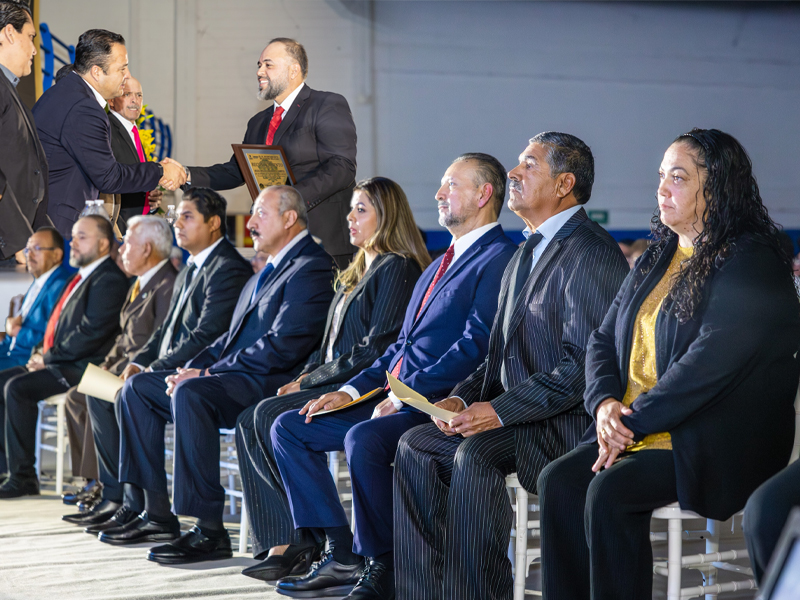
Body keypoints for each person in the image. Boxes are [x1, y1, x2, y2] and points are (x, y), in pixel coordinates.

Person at [536, 128, 800, 600]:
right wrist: (604, 404)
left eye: (677, 177)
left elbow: (710, 365)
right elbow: (602, 338)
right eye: (661, 175)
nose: (661, 188)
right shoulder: (658, 253)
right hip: (636, 427)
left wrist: (629, 423)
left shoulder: (752, 258)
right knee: (558, 481)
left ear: (716, 187)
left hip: (713, 437)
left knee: (609, 492)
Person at [270, 153, 518, 599]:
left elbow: (476, 346)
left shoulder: (500, 257)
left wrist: (405, 394)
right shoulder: (437, 265)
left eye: (451, 185)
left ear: (484, 194)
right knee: (290, 427)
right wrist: (348, 391)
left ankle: (383, 564)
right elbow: (397, 349)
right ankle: (341, 551)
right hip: (395, 395)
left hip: (439, 402)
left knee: (363, 439)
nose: (439, 194)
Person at [394, 133, 629, 600]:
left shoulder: (589, 250)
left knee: (475, 452)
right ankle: (423, 592)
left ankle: (477, 594)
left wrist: (498, 412)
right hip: (523, 418)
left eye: (529, 164)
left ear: (564, 184)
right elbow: (496, 354)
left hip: (565, 423)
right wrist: (460, 398)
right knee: (415, 445)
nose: (513, 173)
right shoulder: (526, 250)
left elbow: (582, 367)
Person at [102, 186, 335, 567]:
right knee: (139, 388)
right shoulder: (266, 270)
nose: (250, 222)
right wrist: (188, 369)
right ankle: (156, 514)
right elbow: (227, 338)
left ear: (290, 218)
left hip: (270, 381)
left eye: (260, 213)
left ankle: (209, 529)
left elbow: (284, 345)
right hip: (235, 376)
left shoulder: (311, 265)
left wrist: (207, 372)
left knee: (192, 393)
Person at [235, 177, 430, 581]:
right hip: (334, 380)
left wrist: (310, 382)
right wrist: (304, 376)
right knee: (253, 416)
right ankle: (293, 538)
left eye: (361, 209)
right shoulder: (355, 270)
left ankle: (325, 544)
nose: (350, 218)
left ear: (386, 215)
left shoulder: (397, 266)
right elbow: (328, 346)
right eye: (351, 209)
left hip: (363, 388)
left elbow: (377, 348)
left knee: (268, 416)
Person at [80, 187, 251, 534]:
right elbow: (164, 331)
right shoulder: (189, 267)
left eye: (187, 216)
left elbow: (206, 336)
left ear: (213, 223)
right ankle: (128, 500)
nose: (178, 224)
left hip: (206, 375)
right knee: (100, 387)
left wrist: (152, 369)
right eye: (177, 217)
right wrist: (140, 361)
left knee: (134, 389)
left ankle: (153, 511)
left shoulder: (228, 267)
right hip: (170, 369)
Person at [173, 37, 357, 268]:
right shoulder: (258, 122)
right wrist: (185, 174)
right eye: (259, 65)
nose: (260, 71)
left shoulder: (326, 104)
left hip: (324, 242)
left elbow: (342, 168)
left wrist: (288, 201)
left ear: (293, 70)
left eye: (268, 65)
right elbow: (235, 171)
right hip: (277, 245)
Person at [0, 215, 129, 498]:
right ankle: (10, 469)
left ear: (103, 244)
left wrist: (48, 358)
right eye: (74, 236)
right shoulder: (81, 277)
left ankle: (23, 477)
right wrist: (40, 353)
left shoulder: (108, 279)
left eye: (82, 237)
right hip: (65, 361)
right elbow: (56, 326)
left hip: (86, 367)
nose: (73, 243)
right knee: (5, 381)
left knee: (17, 388)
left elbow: (90, 334)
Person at [61, 216, 178, 526]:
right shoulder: (140, 282)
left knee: (94, 392)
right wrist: (107, 364)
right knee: (84, 390)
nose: (121, 249)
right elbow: (123, 337)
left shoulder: (166, 283)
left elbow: (159, 342)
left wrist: (128, 368)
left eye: (127, 243)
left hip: (144, 376)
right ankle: (103, 485)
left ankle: (115, 492)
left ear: (147, 249)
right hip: (122, 368)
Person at [32, 29, 185, 237]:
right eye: (121, 69)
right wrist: (160, 171)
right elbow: (109, 177)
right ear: (97, 72)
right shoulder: (84, 107)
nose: (127, 75)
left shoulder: (63, 93)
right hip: (62, 227)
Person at [0, 1, 52, 259]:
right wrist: (18, 240)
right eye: (31, 37)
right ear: (10, 33)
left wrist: (50, 239)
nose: (34, 50)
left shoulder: (10, 91)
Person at [0, 228, 71, 372]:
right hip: (11, 356)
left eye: (37, 249)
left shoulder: (60, 286)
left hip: (28, 361)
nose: (29, 255)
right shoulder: (39, 282)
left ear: (56, 255)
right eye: (28, 250)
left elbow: (54, 337)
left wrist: (17, 331)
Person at [106, 77, 163, 234]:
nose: (135, 100)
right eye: (127, 94)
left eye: (139, 95)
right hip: (119, 230)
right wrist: (120, 230)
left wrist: (150, 203)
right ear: (111, 100)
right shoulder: (107, 129)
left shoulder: (132, 131)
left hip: (138, 228)